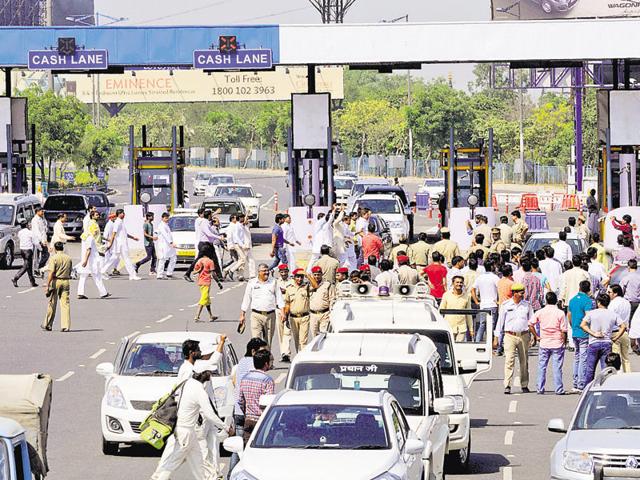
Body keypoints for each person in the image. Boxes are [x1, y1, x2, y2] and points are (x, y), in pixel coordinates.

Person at [150, 362, 226, 480]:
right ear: (204, 374)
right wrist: (226, 427)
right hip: (185, 432)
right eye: (209, 372)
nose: (211, 374)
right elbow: (210, 414)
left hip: (187, 432)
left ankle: (210, 478)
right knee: (173, 462)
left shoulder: (187, 383)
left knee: (199, 460)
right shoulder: (199, 390)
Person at [228, 338, 268, 476]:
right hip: (250, 415)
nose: (266, 354)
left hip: (239, 411)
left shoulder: (241, 362)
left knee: (237, 448)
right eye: (263, 351)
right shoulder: (254, 365)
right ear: (253, 351)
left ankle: (231, 475)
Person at [495, 283, 533, 394]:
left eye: (523, 292)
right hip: (509, 335)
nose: (522, 295)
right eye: (520, 293)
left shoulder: (527, 305)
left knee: (524, 361)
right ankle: (507, 385)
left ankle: (524, 384)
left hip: (524, 335)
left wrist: (533, 336)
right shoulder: (506, 305)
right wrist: (496, 337)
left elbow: (531, 321)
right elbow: (500, 322)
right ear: (514, 293)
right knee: (509, 361)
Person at [581, 293, 626, 384]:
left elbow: (583, 325)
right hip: (606, 342)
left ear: (598, 302)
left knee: (590, 369)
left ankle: (587, 388)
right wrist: (616, 337)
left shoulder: (592, 313)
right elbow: (623, 326)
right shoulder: (613, 314)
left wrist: (593, 333)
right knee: (606, 369)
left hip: (594, 342)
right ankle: (606, 386)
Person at [529, 292, 568, 395]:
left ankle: (540, 388)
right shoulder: (560, 313)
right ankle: (559, 389)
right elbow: (564, 330)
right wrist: (564, 342)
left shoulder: (540, 312)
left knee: (542, 366)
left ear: (546, 300)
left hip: (544, 342)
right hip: (557, 342)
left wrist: (536, 336)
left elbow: (531, 324)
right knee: (557, 367)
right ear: (556, 301)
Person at [240, 263, 284, 348]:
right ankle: (257, 360)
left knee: (267, 343)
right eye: (264, 271)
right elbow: (246, 298)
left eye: (267, 271)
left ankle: (266, 360)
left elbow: (279, 297)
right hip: (256, 315)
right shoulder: (252, 283)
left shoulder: (273, 282)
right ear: (259, 272)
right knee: (256, 341)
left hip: (270, 315)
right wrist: (242, 314)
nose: (267, 273)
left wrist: (282, 311)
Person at [237, 350, 274, 445]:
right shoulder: (267, 380)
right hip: (262, 421)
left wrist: (247, 413)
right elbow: (268, 403)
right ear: (266, 364)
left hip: (248, 420)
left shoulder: (245, 378)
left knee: (247, 448)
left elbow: (240, 400)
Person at [283, 268, 318, 352]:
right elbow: (287, 303)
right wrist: (285, 316)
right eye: (298, 277)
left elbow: (316, 286)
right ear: (294, 277)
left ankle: (303, 358)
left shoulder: (306, 286)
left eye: (301, 277)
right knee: (296, 340)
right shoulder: (289, 288)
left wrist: (307, 275)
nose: (300, 279)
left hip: (304, 317)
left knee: (303, 340)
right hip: (293, 317)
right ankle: (298, 355)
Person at [101, 209, 141, 281]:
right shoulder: (118, 222)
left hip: (121, 244)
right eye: (123, 213)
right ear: (119, 214)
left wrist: (133, 238)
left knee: (114, 258)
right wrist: (110, 243)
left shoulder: (120, 222)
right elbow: (114, 233)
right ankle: (132, 275)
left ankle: (102, 271)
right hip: (120, 245)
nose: (124, 215)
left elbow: (124, 234)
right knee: (126, 259)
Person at [567, 281, 593, 392]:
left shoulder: (572, 300)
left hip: (575, 331)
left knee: (577, 357)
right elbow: (588, 316)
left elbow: (569, 314)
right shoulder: (587, 301)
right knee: (583, 358)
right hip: (584, 332)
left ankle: (575, 382)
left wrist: (572, 325)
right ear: (589, 289)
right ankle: (581, 383)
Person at [77, 211, 109, 299]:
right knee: (96, 275)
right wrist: (85, 261)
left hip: (89, 260)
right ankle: (103, 293)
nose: (96, 231)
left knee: (84, 276)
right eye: (96, 215)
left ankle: (81, 292)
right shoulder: (90, 238)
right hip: (91, 260)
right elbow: (89, 250)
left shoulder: (86, 236)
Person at [42, 242, 73, 332]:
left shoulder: (54, 258)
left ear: (55, 249)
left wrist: (47, 284)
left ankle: (48, 324)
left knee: (52, 303)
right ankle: (65, 326)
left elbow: (51, 272)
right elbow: (70, 271)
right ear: (62, 248)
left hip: (56, 281)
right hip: (66, 281)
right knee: (65, 304)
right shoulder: (68, 258)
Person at [472, 260, 499, 342]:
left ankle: (477, 342)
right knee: (492, 325)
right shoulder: (495, 277)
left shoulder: (480, 277)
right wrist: (498, 301)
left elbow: (472, 289)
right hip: (492, 304)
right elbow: (500, 289)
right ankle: (489, 343)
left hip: (483, 305)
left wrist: (476, 301)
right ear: (492, 266)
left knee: (482, 324)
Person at [607, 284, 632, 373]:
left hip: (615, 332)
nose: (608, 294)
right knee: (626, 358)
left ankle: (618, 377)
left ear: (615, 293)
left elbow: (609, 318)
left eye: (609, 292)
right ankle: (628, 375)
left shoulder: (612, 304)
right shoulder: (627, 302)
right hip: (625, 332)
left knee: (615, 358)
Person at [440, 276, 472, 341]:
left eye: (461, 282)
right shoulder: (446, 295)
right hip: (449, 327)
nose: (459, 284)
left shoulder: (467, 296)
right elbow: (440, 311)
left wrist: (471, 329)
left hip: (462, 327)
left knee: (459, 348)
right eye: (457, 282)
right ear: (453, 283)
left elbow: (469, 314)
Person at [193, 244, 218, 322]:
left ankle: (211, 316)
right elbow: (213, 274)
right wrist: (218, 282)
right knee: (203, 299)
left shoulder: (199, 261)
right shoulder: (210, 262)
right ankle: (197, 316)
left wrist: (199, 270)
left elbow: (194, 272)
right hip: (206, 282)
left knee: (207, 300)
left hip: (200, 282)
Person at [309, 265, 336, 336]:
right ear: (312, 275)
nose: (317, 276)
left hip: (324, 314)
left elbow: (332, 299)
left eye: (318, 274)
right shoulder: (309, 286)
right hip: (313, 315)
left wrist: (331, 314)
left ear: (322, 274)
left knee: (323, 336)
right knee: (314, 337)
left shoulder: (327, 285)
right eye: (315, 275)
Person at [12, 221, 37, 288]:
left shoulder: (20, 232)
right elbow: (35, 242)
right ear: (26, 225)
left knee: (29, 265)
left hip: (22, 250)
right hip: (28, 251)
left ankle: (32, 281)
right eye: (28, 225)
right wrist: (40, 248)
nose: (29, 225)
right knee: (26, 266)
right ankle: (15, 278)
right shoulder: (30, 232)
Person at [275, 265, 293, 362]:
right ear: (279, 272)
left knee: (287, 332)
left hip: (288, 309)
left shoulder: (292, 282)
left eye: (285, 272)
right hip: (278, 309)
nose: (284, 274)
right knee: (280, 332)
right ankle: (283, 353)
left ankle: (286, 353)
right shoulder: (276, 282)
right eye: (282, 272)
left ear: (288, 272)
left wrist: (286, 291)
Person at [223, 214, 248, 281]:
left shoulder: (238, 225)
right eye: (242, 218)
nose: (243, 219)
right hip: (236, 244)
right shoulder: (235, 226)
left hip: (237, 244)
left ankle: (229, 270)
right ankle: (231, 270)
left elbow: (244, 223)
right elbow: (233, 236)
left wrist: (247, 213)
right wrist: (241, 245)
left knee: (239, 261)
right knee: (242, 260)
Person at [155, 212, 177, 280]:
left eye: (168, 218)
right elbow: (165, 235)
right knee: (162, 259)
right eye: (166, 218)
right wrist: (170, 242)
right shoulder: (161, 225)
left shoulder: (166, 225)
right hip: (164, 245)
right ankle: (159, 275)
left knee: (173, 258)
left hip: (168, 246)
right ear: (162, 218)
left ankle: (169, 273)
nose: (167, 219)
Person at [31, 207, 49, 276]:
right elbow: (37, 232)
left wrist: (45, 240)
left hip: (43, 240)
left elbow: (44, 229)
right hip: (38, 241)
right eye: (42, 211)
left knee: (46, 255)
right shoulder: (35, 220)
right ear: (37, 212)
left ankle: (40, 269)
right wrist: (41, 241)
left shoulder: (42, 218)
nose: (43, 213)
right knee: (37, 257)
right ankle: (36, 271)